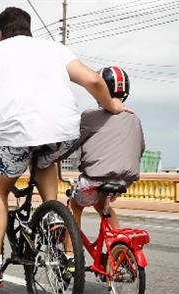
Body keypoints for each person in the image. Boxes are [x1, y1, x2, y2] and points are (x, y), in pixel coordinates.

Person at [0, 7, 130, 285]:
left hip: (15, 134)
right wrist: (111, 104)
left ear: (0, 34)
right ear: (29, 30)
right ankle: (52, 216)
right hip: (62, 132)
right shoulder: (55, 49)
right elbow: (92, 79)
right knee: (44, 156)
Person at [66, 66, 144, 231]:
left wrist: (52, 157)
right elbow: (140, 149)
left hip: (96, 179)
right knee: (103, 206)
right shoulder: (134, 118)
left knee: (75, 205)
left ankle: (71, 254)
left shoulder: (90, 116)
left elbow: (71, 144)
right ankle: (117, 246)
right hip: (124, 180)